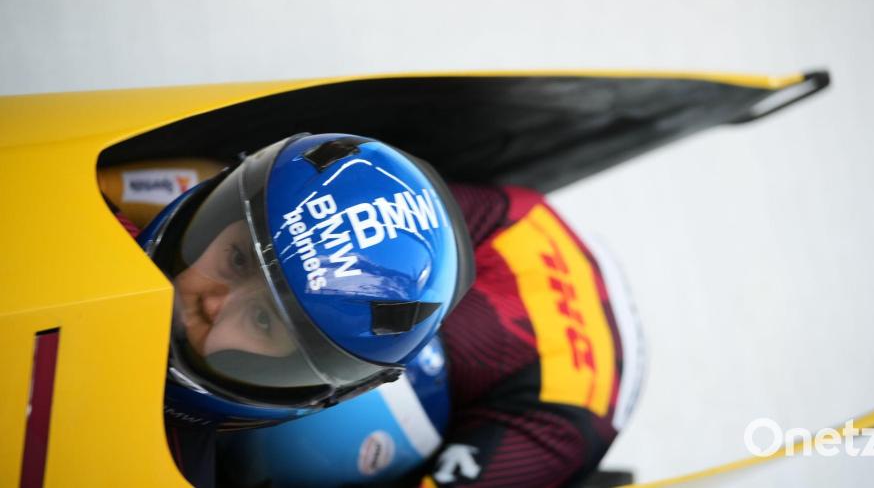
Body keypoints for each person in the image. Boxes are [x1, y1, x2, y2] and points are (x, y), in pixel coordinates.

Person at [111, 133, 643, 487]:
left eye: (263, 321)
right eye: (234, 260)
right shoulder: (466, 228)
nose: (210, 303)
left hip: (565, 396)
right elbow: (255, 191)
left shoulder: (554, 434)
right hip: (520, 235)